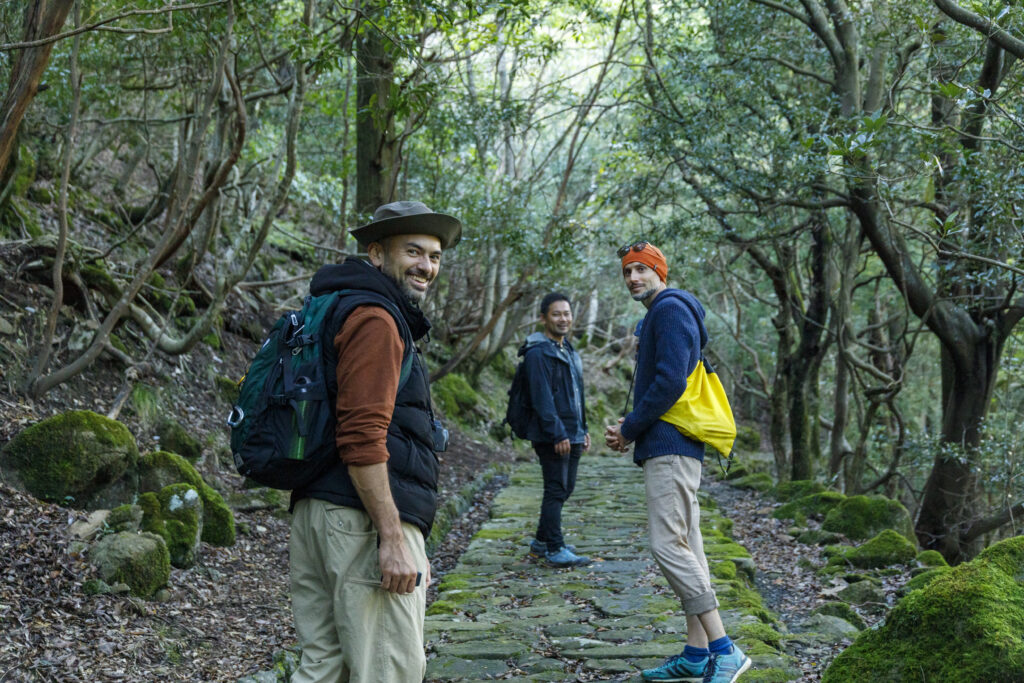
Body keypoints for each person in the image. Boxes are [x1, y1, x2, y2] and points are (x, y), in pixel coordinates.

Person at [288, 200, 460, 683]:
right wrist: (391, 537)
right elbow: (362, 436)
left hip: (317, 512)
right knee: (389, 669)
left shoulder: (336, 305)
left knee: (323, 668)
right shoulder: (376, 320)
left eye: (435, 256)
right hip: (361, 522)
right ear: (377, 254)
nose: (426, 266)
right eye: (414, 251)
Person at [604, 241, 750, 683]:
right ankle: (695, 653)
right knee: (689, 546)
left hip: (670, 447)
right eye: (628, 271)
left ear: (660, 272)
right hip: (675, 445)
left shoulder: (668, 310)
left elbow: (669, 380)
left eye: (642, 270)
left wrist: (630, 428)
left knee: (669, 546)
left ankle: (725, 650)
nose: (633, 278)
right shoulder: (665, 312)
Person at [518, 292, 591, 567]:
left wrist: (583, 429)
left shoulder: (568, 349)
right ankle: (555, 547)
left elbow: (576, 394)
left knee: (565, 487)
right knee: (556, 488)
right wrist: (557, 433)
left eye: (567, 314)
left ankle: (541, 542)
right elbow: (541, 398)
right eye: (557, 314)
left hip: (573, 431)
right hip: (553, 434)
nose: (564, 319)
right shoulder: (538, 352)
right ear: (543, 318)